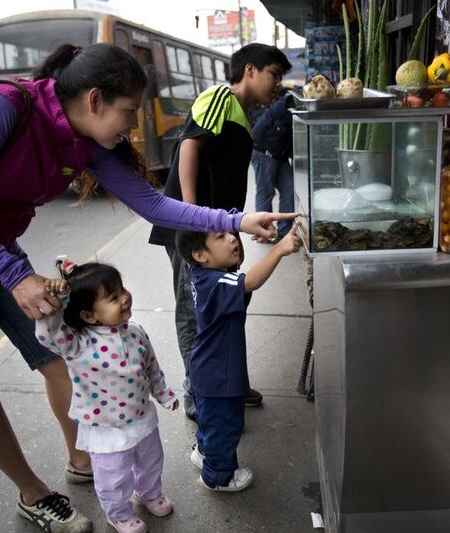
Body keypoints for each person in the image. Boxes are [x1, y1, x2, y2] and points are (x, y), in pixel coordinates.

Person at [0, 43, 296, 532]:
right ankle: (33, 493)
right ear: (96, 98)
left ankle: (84, 459)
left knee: (60, 352)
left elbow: (154, 205)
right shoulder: (0, 108)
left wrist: (238, 219)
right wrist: (15, 274)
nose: (132, 126)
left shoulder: (84, 141)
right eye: (128, 112)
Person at [148, 43, 292, 421]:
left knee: (228, 307)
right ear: (249, 69)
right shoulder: (219, 98)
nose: (277, 84)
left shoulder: (243, 114)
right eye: (273, 74)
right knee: (194, 312)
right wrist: (192, 216)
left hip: (219, 229)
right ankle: (199, 395)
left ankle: (228, 383)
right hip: (193, 232)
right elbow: (190, 147)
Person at [36, 259, 176, 533]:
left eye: (122, 290)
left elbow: (151, 367)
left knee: (151, 460)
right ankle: (119, 513)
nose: (124, 298)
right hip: (105, 427)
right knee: (113, 476)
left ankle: (148, 492)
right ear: (89, 315)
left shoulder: (135, 332)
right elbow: (48, 334)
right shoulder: (78, 344)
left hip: (141, 416)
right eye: (113, 297)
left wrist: (164, 394)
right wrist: (59, 302)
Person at [175, 223, 302, 491]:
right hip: (220, 375)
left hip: (206, 369)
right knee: (226, 425)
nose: (232, 239)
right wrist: (279, 248)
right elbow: (251, 281)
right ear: (200, 255)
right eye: (221, 237)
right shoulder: (216, 281)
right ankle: (218, 477)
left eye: (231, 233)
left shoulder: (202, 273)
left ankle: (203, 452)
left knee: (210, 421)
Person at [251, 90, 296, 242]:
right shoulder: (288, 105)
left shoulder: (290, 105)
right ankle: (264, 233)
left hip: (279, 155)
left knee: (289, 188)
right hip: (263, 153)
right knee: (266, 192)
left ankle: (285, 232)